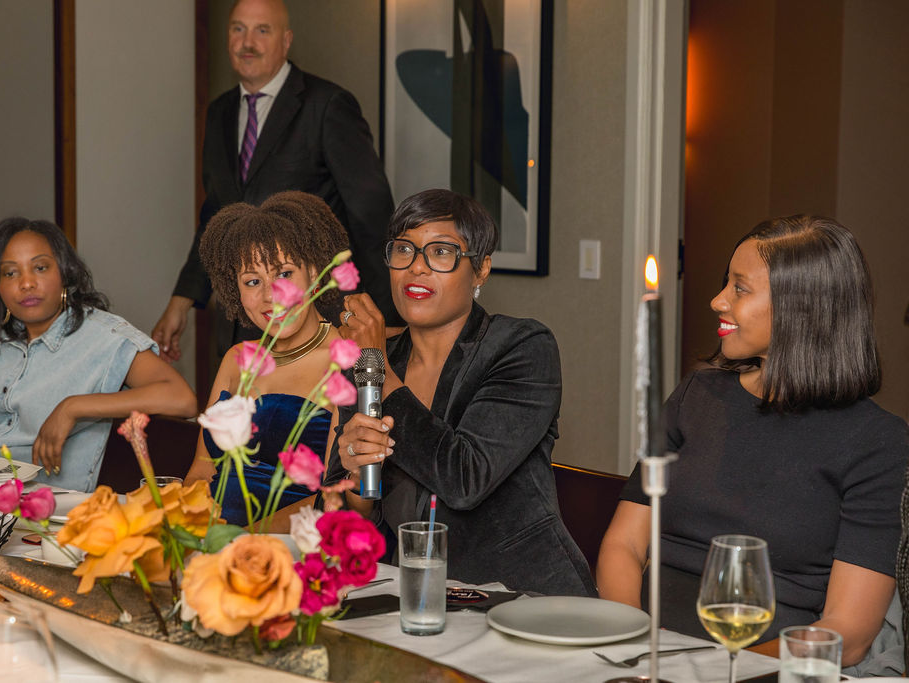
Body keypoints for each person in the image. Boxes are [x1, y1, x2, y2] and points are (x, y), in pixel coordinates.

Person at [598, 215, 908, 675]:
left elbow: (850, 632)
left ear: (803, 308)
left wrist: (710, 668)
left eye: (740, 289)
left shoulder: (877, 442)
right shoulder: (696, 396)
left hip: (760, 665)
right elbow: (623, 543)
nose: (716, 300)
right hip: (636, 647)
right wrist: (635, 642)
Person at [322, 189, 595, 596]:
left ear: (481, 269)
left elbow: (464, 478)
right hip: (413, 594)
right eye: (404, 250)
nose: (417, 268)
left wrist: (374, 367)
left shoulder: (521, 346)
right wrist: (358, 479)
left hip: (525, 598)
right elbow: (348, 521)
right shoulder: (376, 360)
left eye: (441, 252)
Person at [152, 0, 398, 363]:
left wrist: (383, 323)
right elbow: (216, 216)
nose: (247, 42)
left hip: (319, 321)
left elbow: (372, 218)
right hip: (243, 322)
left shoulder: (327, 105)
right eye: (238, 29)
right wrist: (182, 299)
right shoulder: (219, 112)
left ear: (286, 41)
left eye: (261, 30)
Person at [0, 218, 197, 492]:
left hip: (52, 509)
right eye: (10, 273)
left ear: (64, 273)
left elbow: (182, 399)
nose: (26, 283)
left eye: (40, 267)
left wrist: (72, 407)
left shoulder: (102, 337)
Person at [183, 192, 349, 529]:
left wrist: (244, 540)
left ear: (315, 271)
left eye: (285, 273)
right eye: (252, 281)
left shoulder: (345, 358)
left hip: (288, 552)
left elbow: (337, 499)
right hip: (211, 545)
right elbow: (201, 470)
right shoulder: (235, 359)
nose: (271, 295)